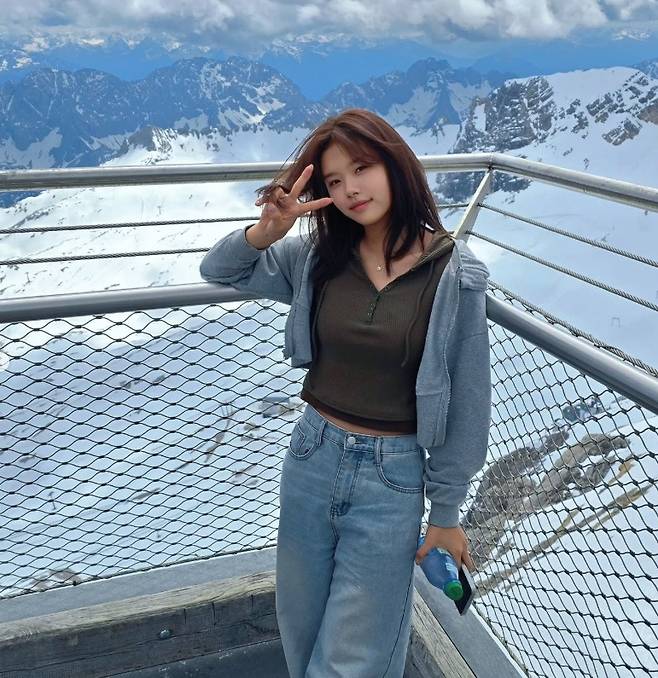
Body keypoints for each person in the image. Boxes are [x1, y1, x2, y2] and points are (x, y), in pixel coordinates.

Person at [199, 108, 492, 678]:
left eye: (362, 168)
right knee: (303, 630)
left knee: (353, 658)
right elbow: (221, 270)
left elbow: (468, 402)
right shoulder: (319, 256)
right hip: (312, 454)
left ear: (396, 165)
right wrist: (266, 233)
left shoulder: (455, 275)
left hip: (392, 477)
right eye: (334, 180)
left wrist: (445, 513)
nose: (350, 189)